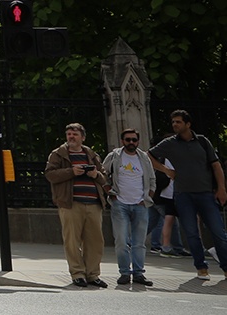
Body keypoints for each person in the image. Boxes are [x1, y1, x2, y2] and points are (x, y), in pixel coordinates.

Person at [149, 109, 227, 281]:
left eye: (178, 122)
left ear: (188, 124)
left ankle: (226, 266)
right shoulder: (170, 143)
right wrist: (166, 170)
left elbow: (216, 166)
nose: (175, 125)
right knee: (191, 232)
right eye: (173, 122)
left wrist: (221, 188)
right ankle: (201, 267)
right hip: (183, 195)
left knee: (218, 232)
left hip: (206, 193)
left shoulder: (202, 141)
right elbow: (149, 155)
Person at [46, 122, 109, 288]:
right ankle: (77, 273)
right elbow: (50, 175)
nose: (71, 137)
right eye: (69, 134)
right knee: (72, 240)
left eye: (74, 134)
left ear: (83, 137)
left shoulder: (91, 154)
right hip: (70, 203)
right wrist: (71, 172)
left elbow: (104, 178)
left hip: (94, 203)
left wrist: (95, 174)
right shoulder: (58, 154)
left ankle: (93, 275)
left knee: (95, 241)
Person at [101, 127, 155, 286]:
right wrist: (110, 193)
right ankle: (124, 272)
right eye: (128, 140)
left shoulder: (144, 158)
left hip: (140, 204)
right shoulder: (115, 156)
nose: (131, 142)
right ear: (122, 141)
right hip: (120, 204)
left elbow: (152, 180)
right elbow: (102, 175)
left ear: (138, 141)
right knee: (122, 240)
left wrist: (147, 198)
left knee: (139, 242)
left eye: (134, 140)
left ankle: (139, 273)